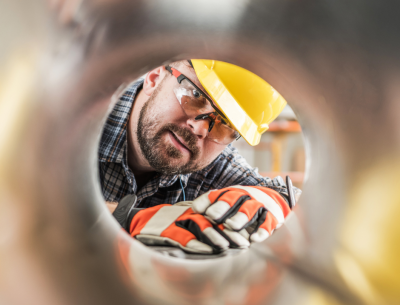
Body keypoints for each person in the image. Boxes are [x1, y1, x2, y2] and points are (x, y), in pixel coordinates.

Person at [99, 59, 299, 254]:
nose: (200, 128)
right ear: (154, 77)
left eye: (226, 125)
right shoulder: (78, 119)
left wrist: (272, 201)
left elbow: (300, 208)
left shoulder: (212, 167)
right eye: (195, 95)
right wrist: (128, 219)